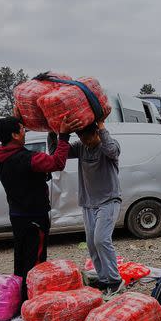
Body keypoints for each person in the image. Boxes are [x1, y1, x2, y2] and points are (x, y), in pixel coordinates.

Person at [0, 116, 75, 300]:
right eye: (22, 129)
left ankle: (20, 298)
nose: (25, 131)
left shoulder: (0, 156)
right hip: (34, 217)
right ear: (14, 135)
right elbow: (58, 163)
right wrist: (63, 137)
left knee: (21, 258)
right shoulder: (27, 158)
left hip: (17, 215)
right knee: (36, 261)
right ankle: (33, 302)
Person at [48, 111, 122, 291]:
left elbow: (112, 150)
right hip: (88, 202)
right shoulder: (81, 147)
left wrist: (102, 127)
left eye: (88, 138)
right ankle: (104, 280)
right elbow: (56, 153)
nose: (86, 142)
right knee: (91, 244)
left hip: (108, 200)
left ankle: (115, 280)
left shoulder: (108, 146)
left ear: (96, 133)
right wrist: (53, 132)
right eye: (82, 138)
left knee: (101, 240)